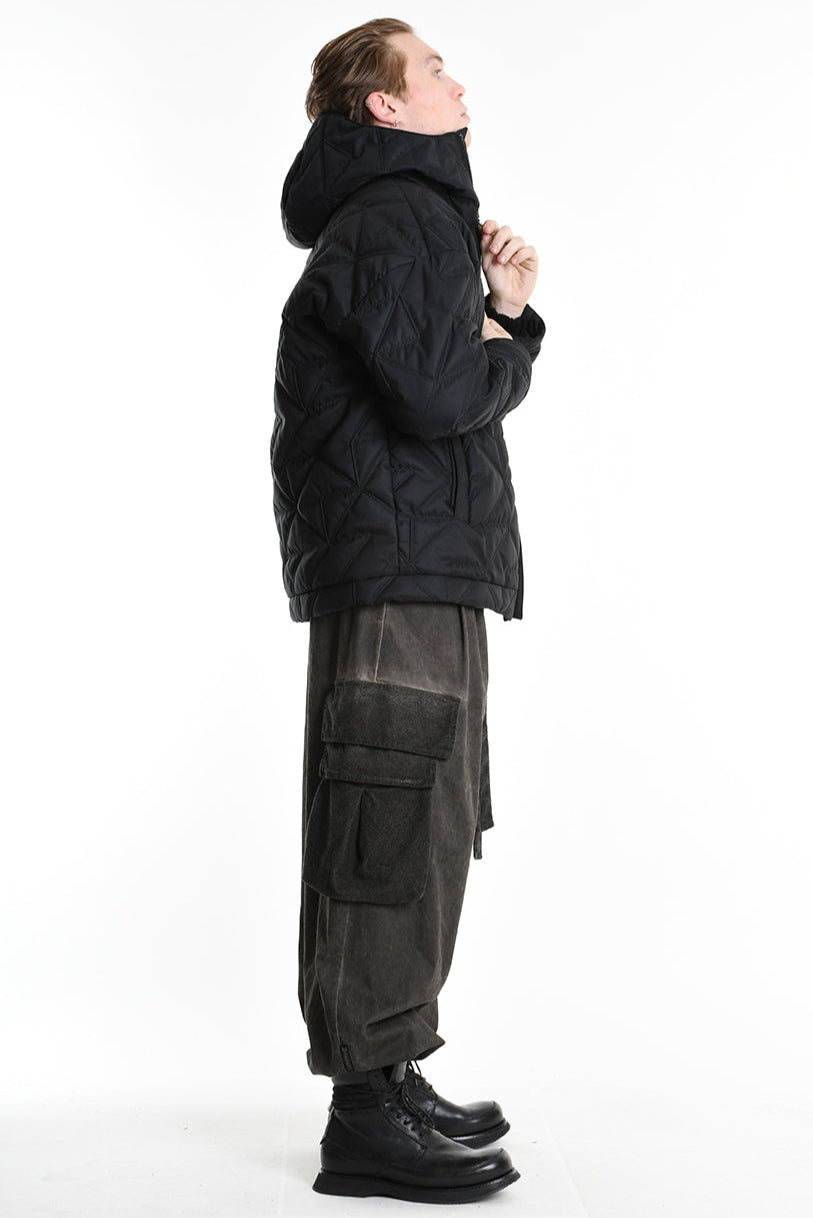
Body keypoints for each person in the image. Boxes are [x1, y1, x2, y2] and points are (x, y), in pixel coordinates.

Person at [270, 17, 546, 1204]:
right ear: (384, 107)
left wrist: (500, 315)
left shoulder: (404, 213)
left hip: (415, 559)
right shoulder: (397, 214)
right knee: (382, 827)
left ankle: (390, 1070)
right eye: (431, 69)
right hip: (398, 566)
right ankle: (365, 1116)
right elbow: (439, 397)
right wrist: (507, 338)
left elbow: (437, 383)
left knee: (418, 819)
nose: (455, 79)